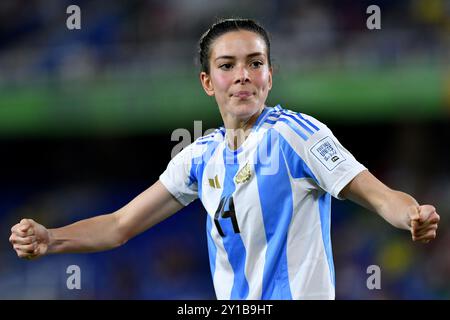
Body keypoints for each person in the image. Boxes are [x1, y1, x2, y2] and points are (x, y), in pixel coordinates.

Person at [9, 18, 440, 300]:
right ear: (207, 81)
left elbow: (379, 195)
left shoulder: (296, 134)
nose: (242, 76)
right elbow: (121, 225)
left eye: (255, 63)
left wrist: (411, 215)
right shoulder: (198, 156)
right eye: (228, 65)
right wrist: (52, 238)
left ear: (270, 76)